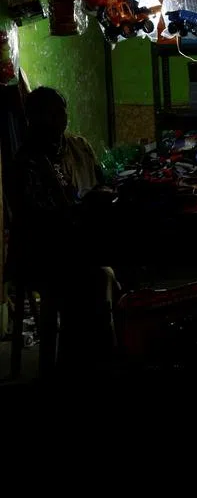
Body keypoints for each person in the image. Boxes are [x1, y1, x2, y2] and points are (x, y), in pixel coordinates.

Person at [9, 87, 115, 371]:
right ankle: (81, 362)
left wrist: (97, 199)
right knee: (91, 278)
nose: (59, 120)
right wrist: (82, 208)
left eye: (61, 113)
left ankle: (104, 352)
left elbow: (101, 183)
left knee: (119, 266)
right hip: (42, 253)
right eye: (50, 115)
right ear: (33, 119)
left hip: (79, 242)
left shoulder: (78, 146)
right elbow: (38, 221)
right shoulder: (26, 163)